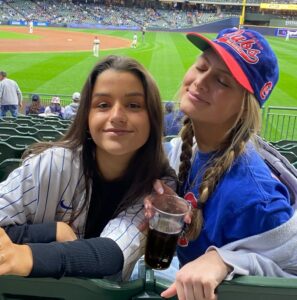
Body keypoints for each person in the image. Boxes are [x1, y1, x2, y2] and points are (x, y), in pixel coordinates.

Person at [145, 28, 296, 299]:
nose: (200, 82)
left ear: (244, 106)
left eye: (223, 82)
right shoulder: (185, 146)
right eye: (201, 66)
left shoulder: (255, 197)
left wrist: (225, 260)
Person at [0, 55, 176, 281]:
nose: (117, 116)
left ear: (152, 117)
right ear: (87, 116)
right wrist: (51, 231)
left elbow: (112, 252)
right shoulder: (52, 163)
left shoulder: (159, 189)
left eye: (133, 105)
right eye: (103, 105)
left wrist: (24, 254)